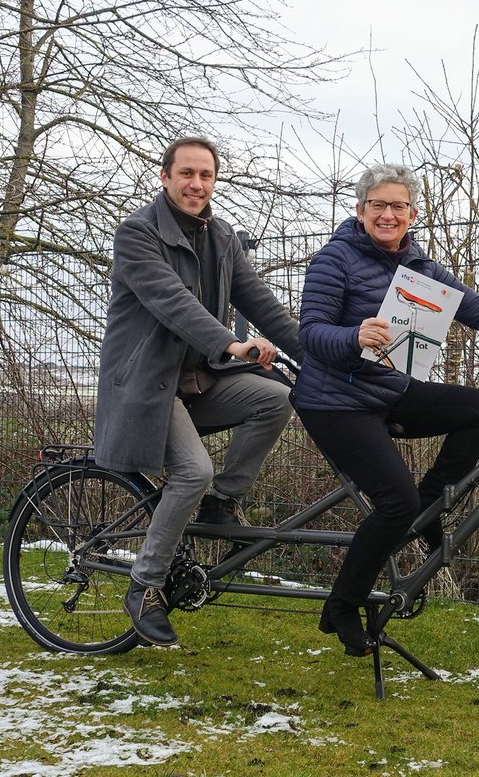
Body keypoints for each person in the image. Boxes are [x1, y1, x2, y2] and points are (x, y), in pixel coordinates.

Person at [293, 164, 479, 657]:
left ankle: (428, 510)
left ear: (413, 214)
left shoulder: (418, 267)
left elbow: (477, 308)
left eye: (397, 206)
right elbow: (310, 333)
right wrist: (354, 335)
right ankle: (342, 605)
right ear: (360, 211)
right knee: (393, 502)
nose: (388, 214)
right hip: (335, 401)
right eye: (378, 205)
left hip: (388, 389)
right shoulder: (334, 260)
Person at [94, 136, 302, 647]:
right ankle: (145, 587)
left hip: (199, 380)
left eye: (205, 175)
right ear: (165, 177)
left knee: (275, 398)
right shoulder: (137, 233)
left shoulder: (221, 237)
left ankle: (221, 503)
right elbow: (172, 302)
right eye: (186, 173)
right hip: (148, 385)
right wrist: (231, 344)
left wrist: (321, 352)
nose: (196, 184)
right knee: (193, 470)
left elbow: (263, 304)